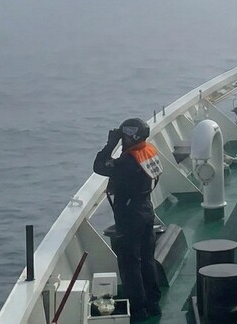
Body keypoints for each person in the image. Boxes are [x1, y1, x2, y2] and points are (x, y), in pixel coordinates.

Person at [93, 118, 163, 322]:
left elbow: (99, 166)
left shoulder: (127, 162)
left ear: (131, 136)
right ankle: (154, 304)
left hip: (130, 218)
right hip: (146, 211)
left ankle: (139, 309)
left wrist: (110, 144)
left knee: (130, 264)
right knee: (147, 260)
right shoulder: (147, 151)